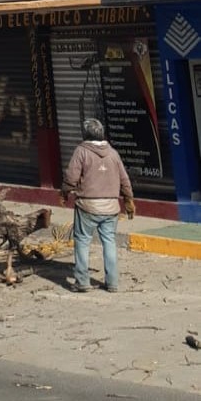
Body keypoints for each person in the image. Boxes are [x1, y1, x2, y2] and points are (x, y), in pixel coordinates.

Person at [61, 118, 135, 292]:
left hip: (87, 206)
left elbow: (71, 177)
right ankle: (112, 283)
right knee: (109, 242)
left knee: (82, 242)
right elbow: (125, 180)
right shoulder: (113, 153)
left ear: (84, 133)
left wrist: (64, 192)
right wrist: (128, 200)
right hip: (111, 207)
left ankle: (82, 282)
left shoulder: (81, 151)